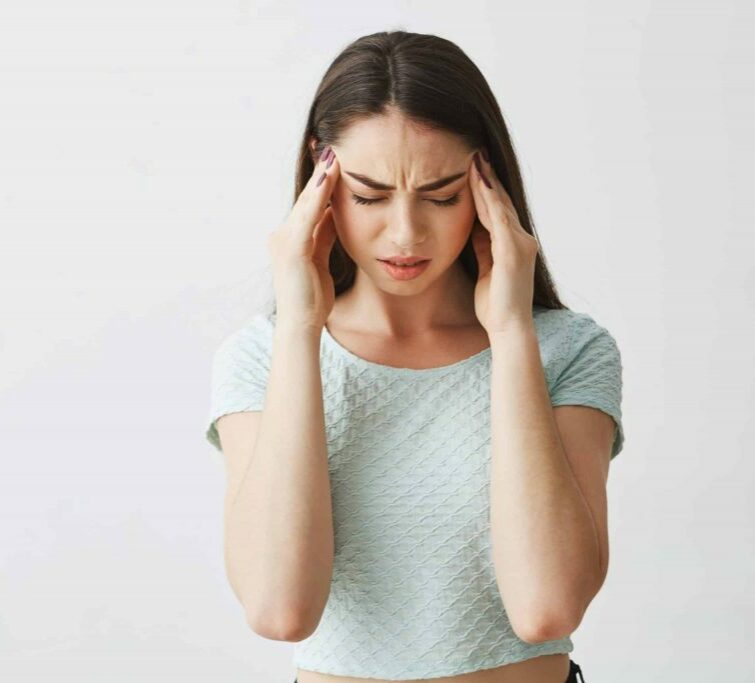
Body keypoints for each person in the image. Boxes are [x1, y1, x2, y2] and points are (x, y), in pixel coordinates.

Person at [205, 30, 624, 683]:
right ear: (323, 181)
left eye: (441, 194)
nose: (405, 233)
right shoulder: (261, 359)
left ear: (487, 183)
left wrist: (510, 331)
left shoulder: (567, 351)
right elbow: (280, 606)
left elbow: (547, 605)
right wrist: (300, 329)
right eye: (370, 195)